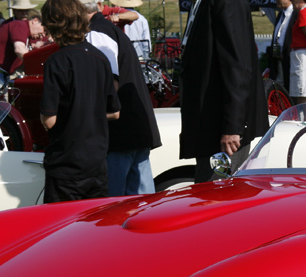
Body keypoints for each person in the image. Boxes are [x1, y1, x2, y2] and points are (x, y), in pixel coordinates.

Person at [40, 0, 120, 203]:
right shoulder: (100, 58)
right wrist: (88, 114)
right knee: (93, 220)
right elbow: (114, 112)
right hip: (96, 162)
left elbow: (49, 120)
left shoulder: (56, 62)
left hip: (66, 163)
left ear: (53, 25)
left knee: (63, 221)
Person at [179, 0, 268, 182]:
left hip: (223, 131)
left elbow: (237, 66)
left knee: (216, 193)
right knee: (209, 191)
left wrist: (233, 127)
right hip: (210, 126)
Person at [85, 0, 162, 195]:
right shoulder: (106, 29)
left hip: (120, 131)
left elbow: (111, 83)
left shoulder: (97, 33)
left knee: (115, 202)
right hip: (134, 126)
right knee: (142, 200)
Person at [0, 0, 42, 74]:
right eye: (21, 11)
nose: (24, 13)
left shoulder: (26, 26)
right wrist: (36, 64)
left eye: (26, 10)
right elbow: (19, 49)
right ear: (14, 11)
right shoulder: (16, 24)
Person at [268, 0, 296, 91]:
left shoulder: (296, 14)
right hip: (278, 57)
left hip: (290, 60)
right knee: (278, 86)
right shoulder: (280, 14)